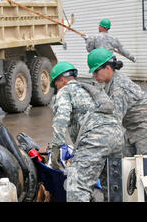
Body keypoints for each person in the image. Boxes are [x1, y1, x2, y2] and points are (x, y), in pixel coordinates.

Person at [49, 62, 123, 202]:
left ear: (62, 80)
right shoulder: (90, 89)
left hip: (95, 140)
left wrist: (56, 148)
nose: (57, 89)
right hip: (116, 137)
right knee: (114, 187)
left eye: (56, 85)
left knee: (77, 186)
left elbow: (61, 119)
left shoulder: (65, 91)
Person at [88, 48, 147, 156]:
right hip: (132, 129)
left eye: (96, 71)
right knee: (126, 164)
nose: (94, 75)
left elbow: (114, 123)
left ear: (108, 68)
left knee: (142, 167)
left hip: (143, 129)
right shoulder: (110, 82)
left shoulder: (118, 88)